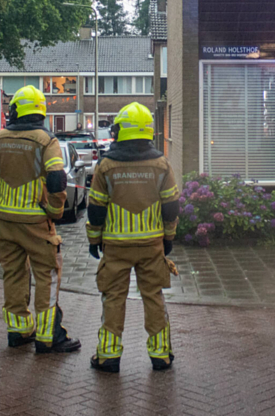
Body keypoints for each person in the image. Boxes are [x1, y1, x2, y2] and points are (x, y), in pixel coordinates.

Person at [0, 85, 81, 354]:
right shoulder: (46, 140)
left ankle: (18, 331)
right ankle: (48, 337)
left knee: (14, 275)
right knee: (47, 276)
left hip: (6, 222)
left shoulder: (0, 138)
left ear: (17, 111)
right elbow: (57, 178)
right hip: (36, 224)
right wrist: (55, 210)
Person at [86, 102, 179, 373]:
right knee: (154, 297)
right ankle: (160, 355)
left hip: (116, 246)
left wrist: (94, 241)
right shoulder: (161, 164)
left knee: (113, 298)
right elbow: (171, 206)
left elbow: (96, 209)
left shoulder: (106, 166)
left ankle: (108, 356)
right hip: (151, 245)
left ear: (122, 131)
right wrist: (168, 238)